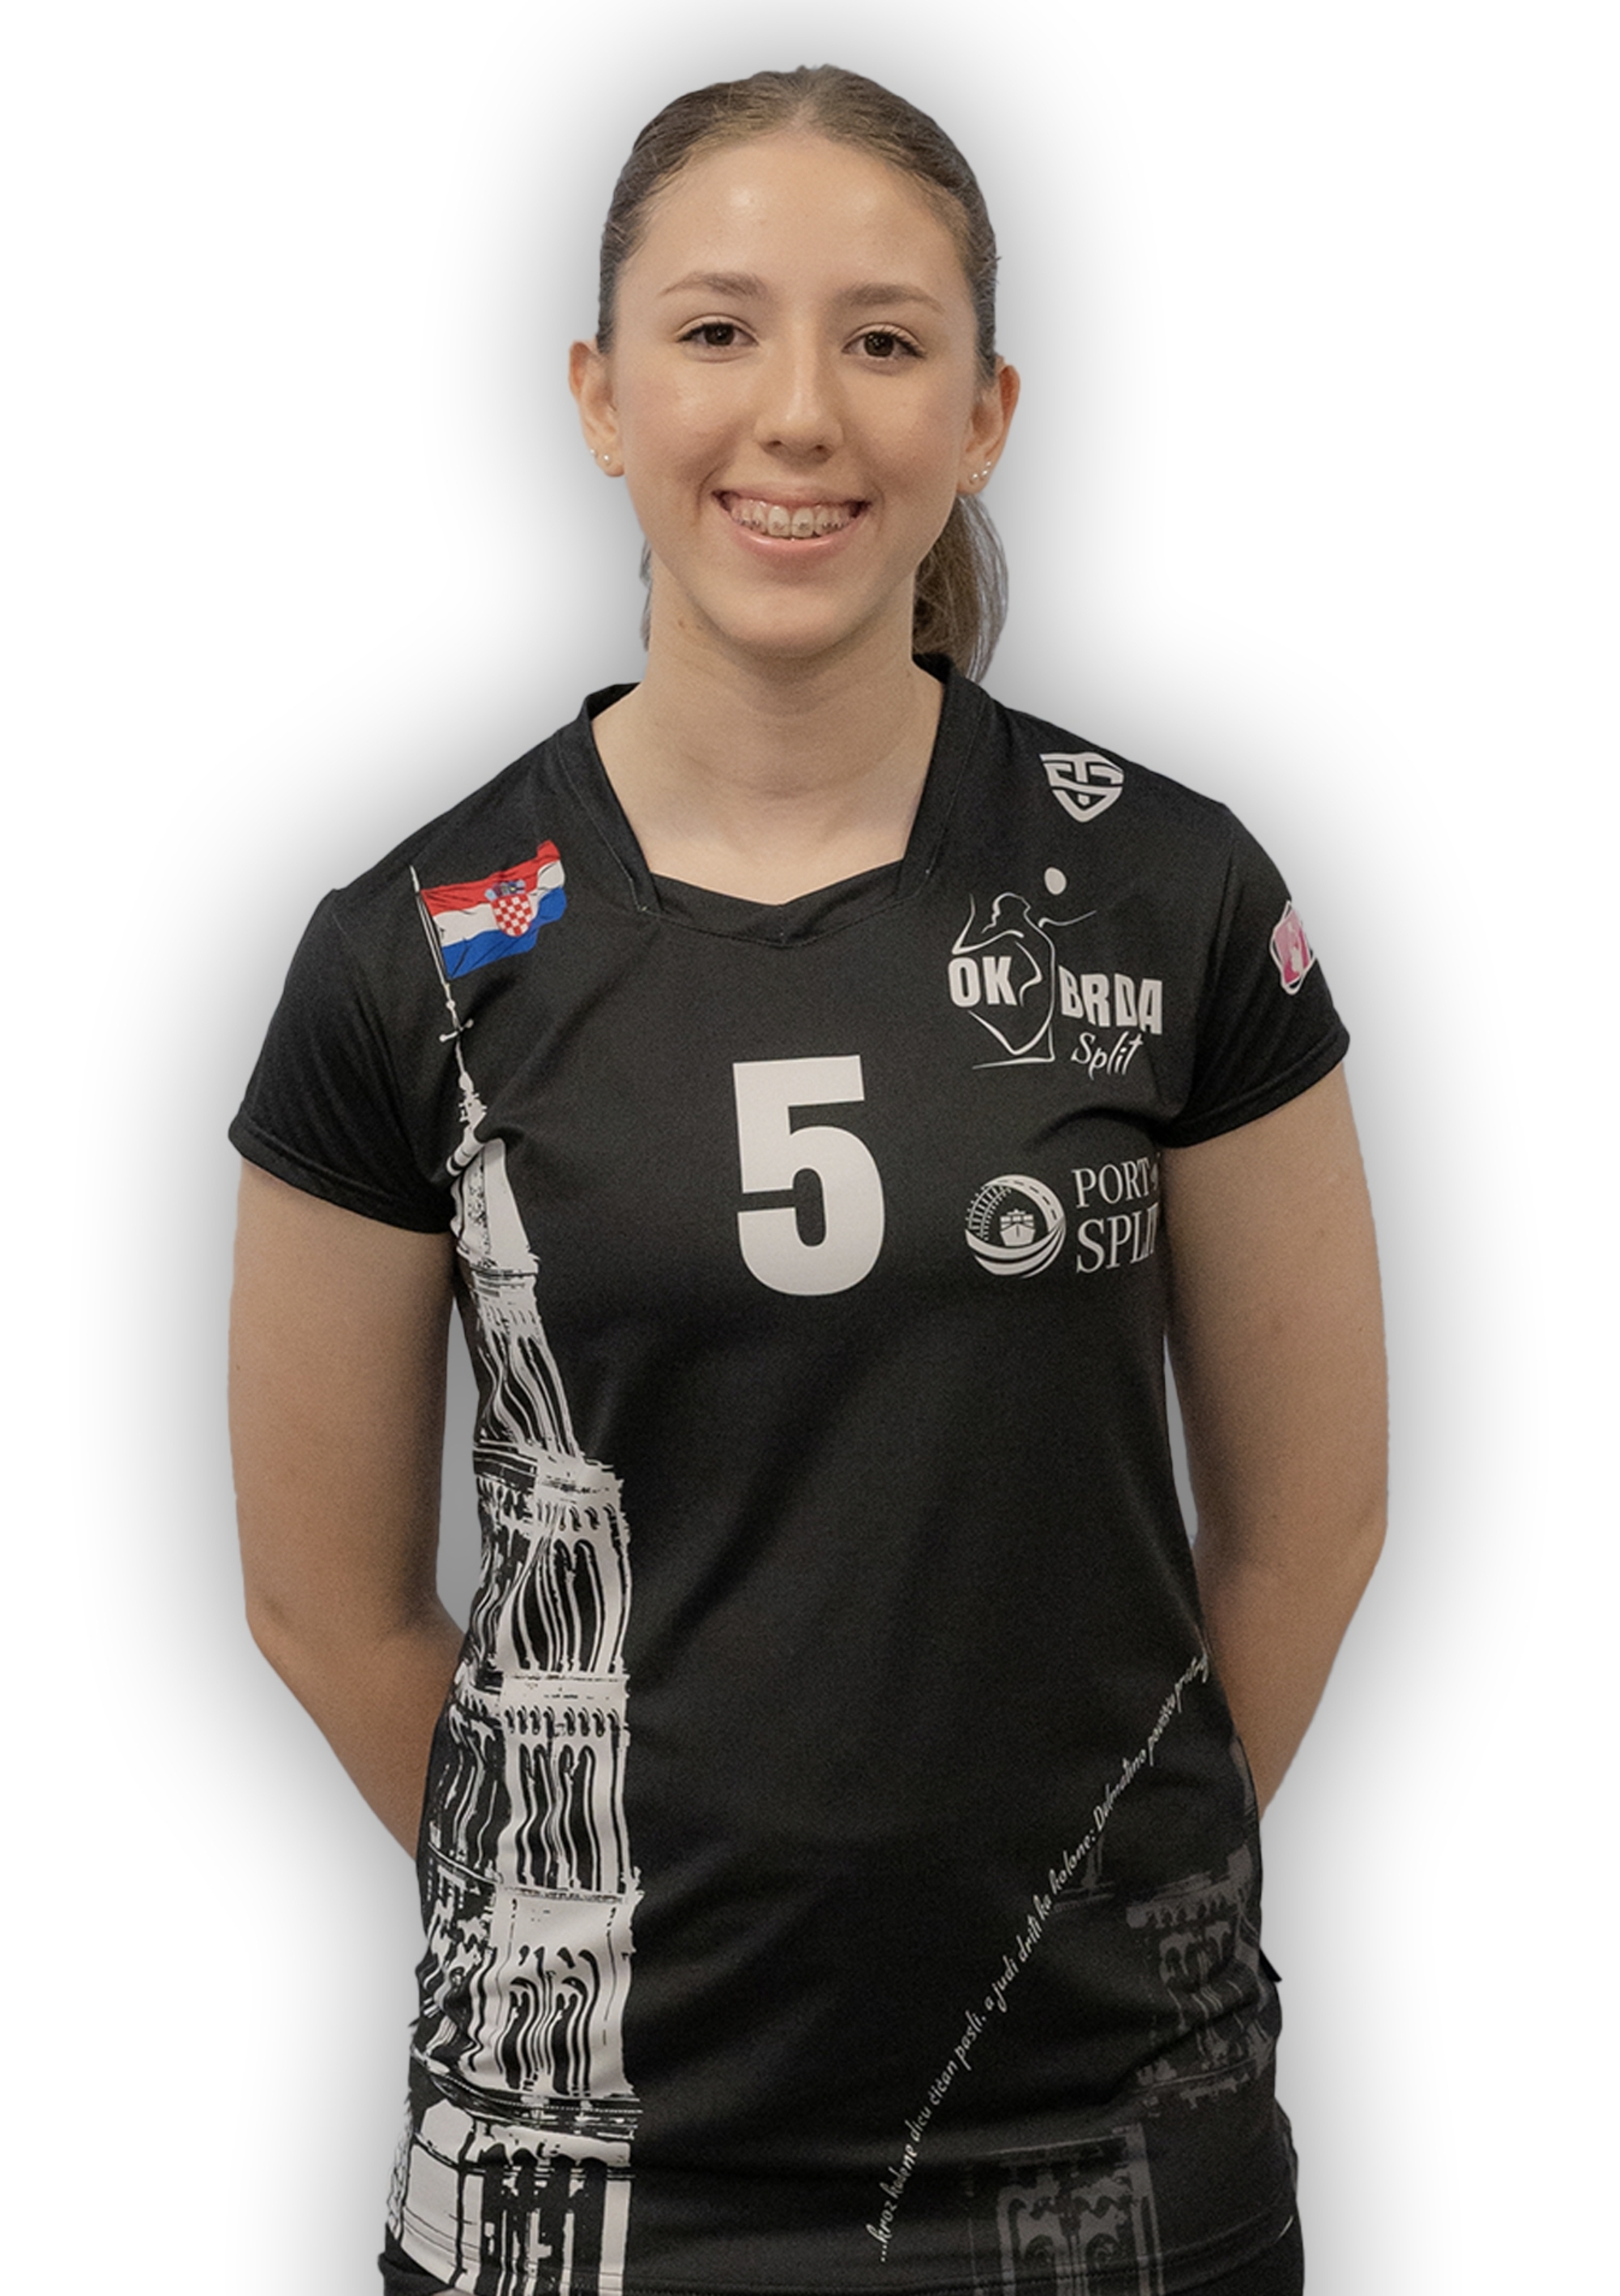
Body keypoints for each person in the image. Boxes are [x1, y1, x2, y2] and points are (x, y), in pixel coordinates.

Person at [229, 64, 1384, 2296]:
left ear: (984, 414)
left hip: (1114, 2150)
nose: (799, 414)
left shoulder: (1175, 895)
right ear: (598, 394)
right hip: (594, 2170)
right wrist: (612, 1927)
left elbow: (1311, 1524)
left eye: (883, 339)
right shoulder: (414, 953)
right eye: (715, 330)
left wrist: (1074, 1908)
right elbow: (325, 1607)